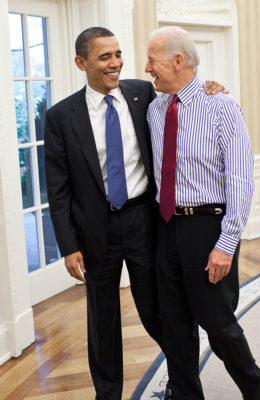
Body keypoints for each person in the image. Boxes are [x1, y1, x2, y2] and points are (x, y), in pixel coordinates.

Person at [44, 26, 225, 400]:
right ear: (81, 63)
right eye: (104, 57)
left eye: (118, 54)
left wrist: (210, 87)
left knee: (162, 313)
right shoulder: (61, 116)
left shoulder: (143, 94)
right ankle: (107, 394)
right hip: (95, 232)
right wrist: (68, 245)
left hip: (144, 222)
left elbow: (183, 89)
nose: (117, 63)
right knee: (103, 322)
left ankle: (184, 386)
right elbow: (58, 189)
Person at [145, 26, 260, 400]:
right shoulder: (153, 109)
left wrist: (226, 243)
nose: (147, 68)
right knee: (174, 324)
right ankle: (184, 392)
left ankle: (252, 381)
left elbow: (241, 180)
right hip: (165, 227)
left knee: (217, 322)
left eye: (153, 60)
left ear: (178, 60)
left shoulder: (222, 106)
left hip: (207, 227)